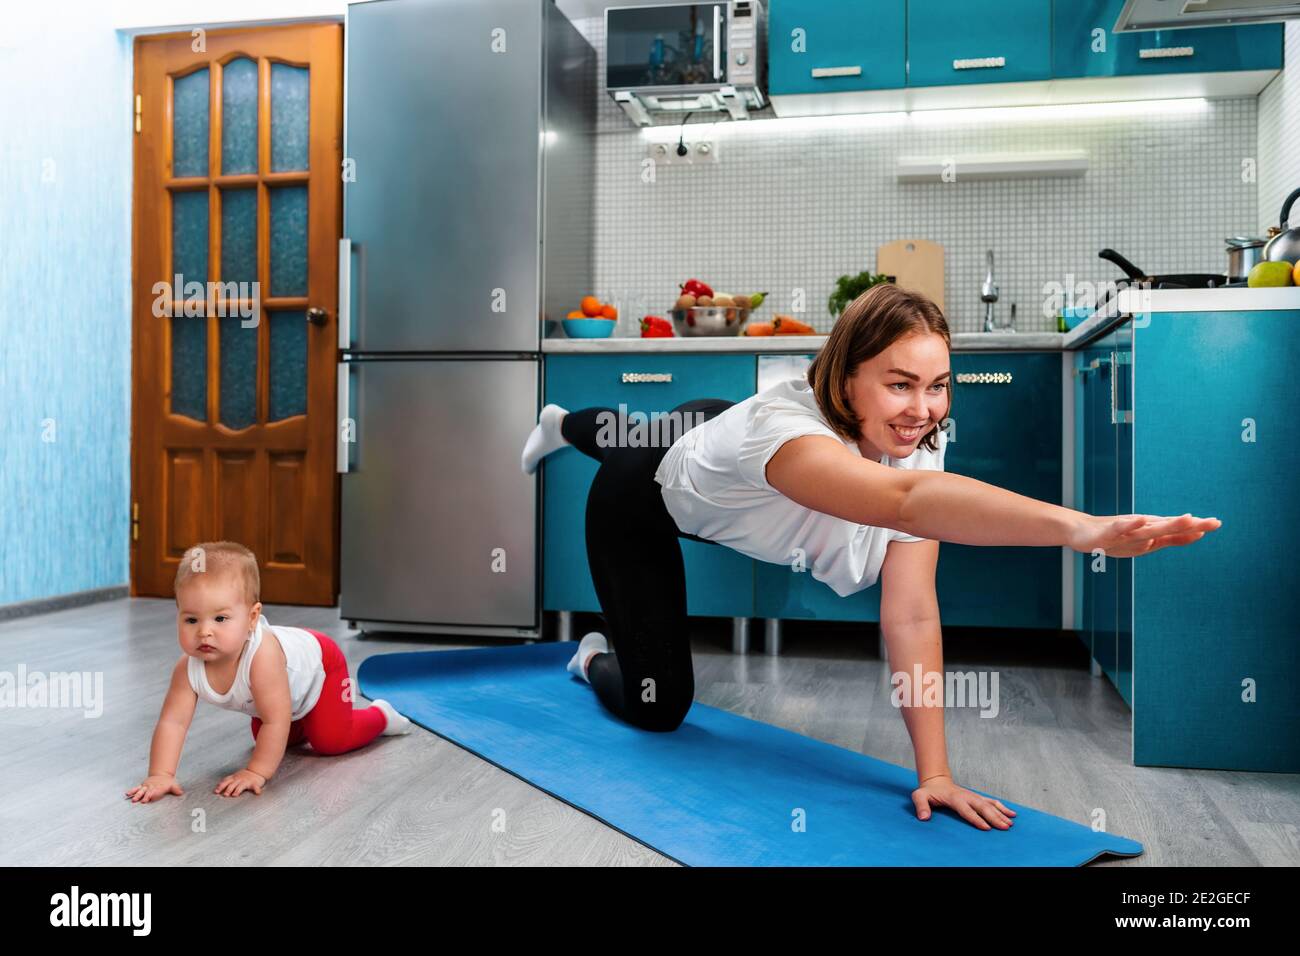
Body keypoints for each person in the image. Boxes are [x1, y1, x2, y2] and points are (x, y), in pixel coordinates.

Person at [521, 283, 1221, 831]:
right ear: (844, 378)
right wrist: (1082, 529)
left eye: (937, 384)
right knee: (658, 707)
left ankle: (562, 421)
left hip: (713, 431)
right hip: (643, 498)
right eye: (899, 383)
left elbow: (912, 614)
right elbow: (906, 501)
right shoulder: (788, 434)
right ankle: (589, 654)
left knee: (642, 428)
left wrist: (936, 773)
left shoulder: (919, 436)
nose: (924, 409)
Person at [126, 540, 411, 804]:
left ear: (252, 618)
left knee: (329, 740)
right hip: (283, 695)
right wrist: (161, 774)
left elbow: (276, 720)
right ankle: (307, 720)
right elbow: (173, 723)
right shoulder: (186, 670)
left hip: (322, 665)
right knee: (278, 739)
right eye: (191, 619)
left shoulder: (262, 660)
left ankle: (381, 715)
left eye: (221, 618)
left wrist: (256, 772)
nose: (204, 631)